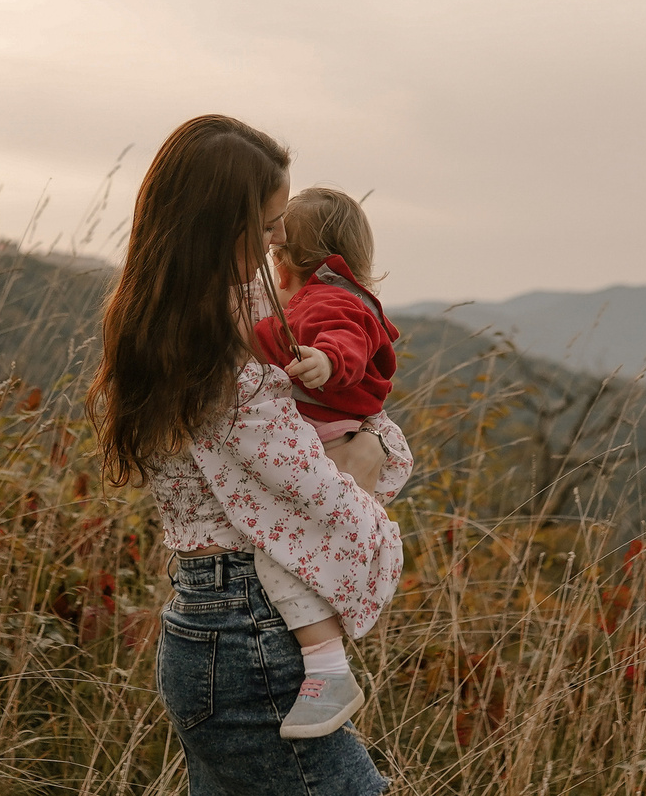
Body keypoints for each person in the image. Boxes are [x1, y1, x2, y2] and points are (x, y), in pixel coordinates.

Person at [92, 116, 412, 796]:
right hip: (249, 635)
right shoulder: (217, 355)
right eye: (266, 227)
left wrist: (370, 444)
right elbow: (314, 490)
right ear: (221, 225)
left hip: (218, 629)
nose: (277, 243)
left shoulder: (175, 319)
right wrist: (371, 474)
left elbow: (350, 429)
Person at [247, 186, 399, 736]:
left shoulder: (327, 301)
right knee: (309, 545)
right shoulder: (328, 296)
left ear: (290, 261)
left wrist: (326, 361)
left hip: (329, 442)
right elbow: (266, 337)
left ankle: (329, 669)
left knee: (280, 554)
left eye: (276, 248)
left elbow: (342, 341)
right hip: (340, 441)